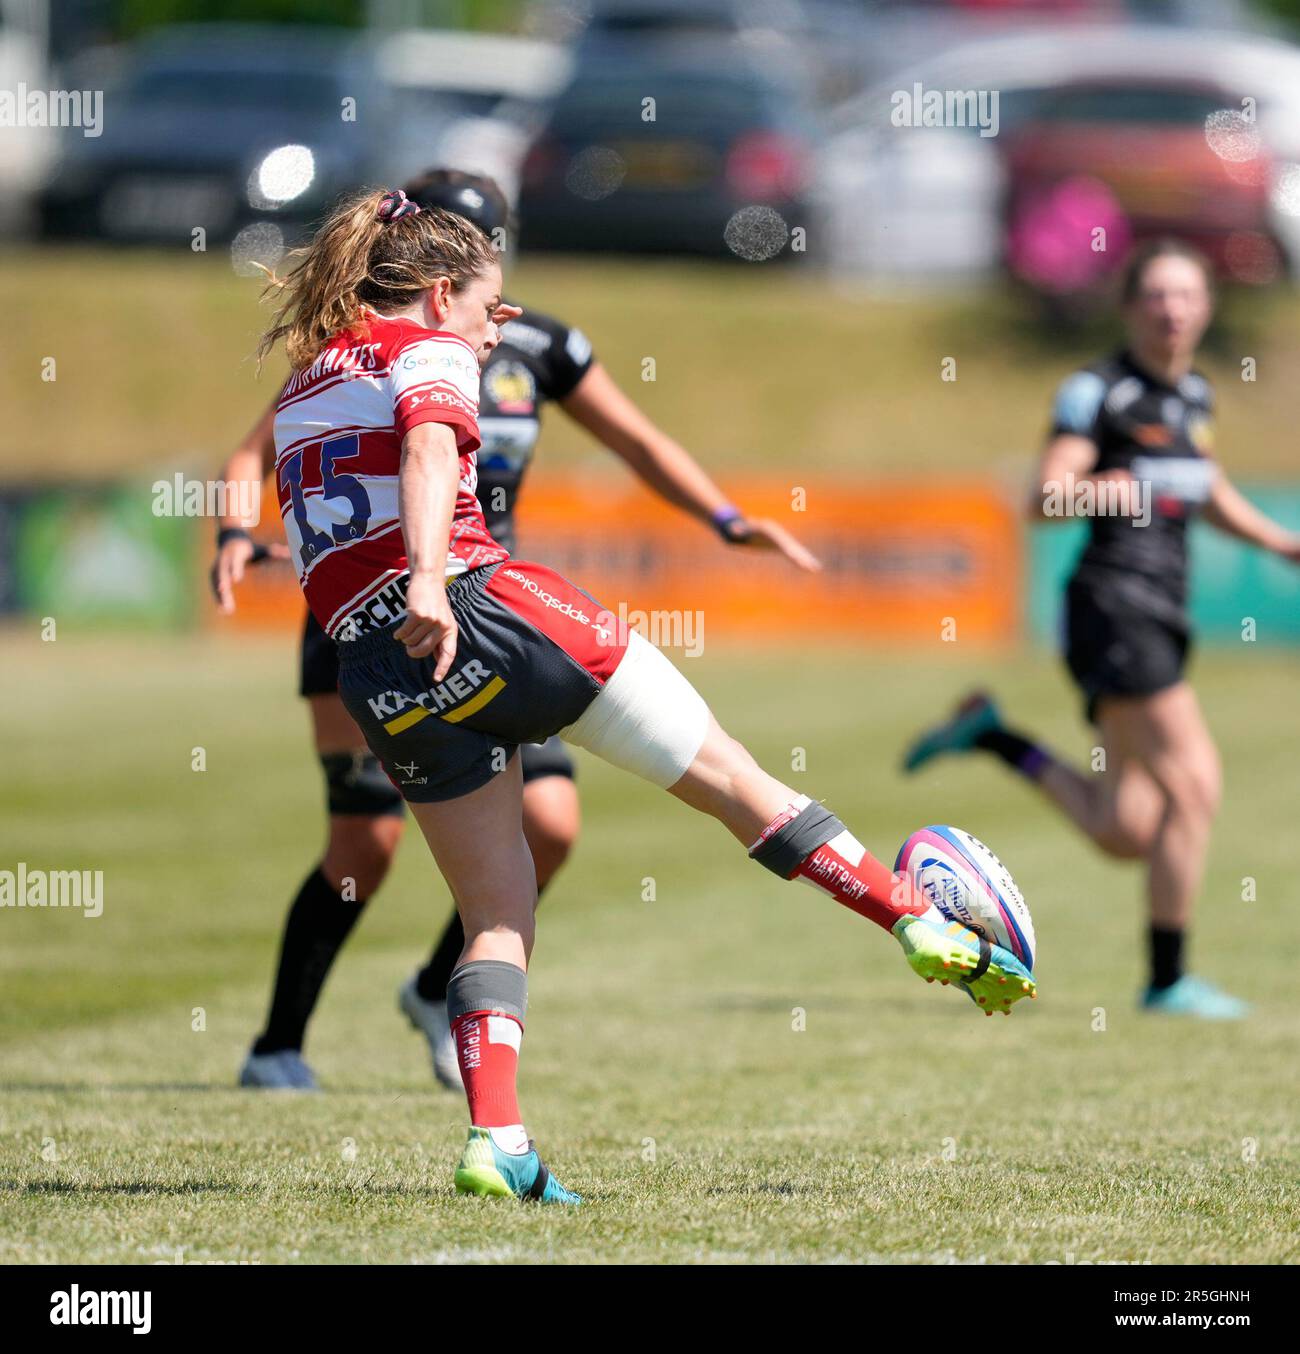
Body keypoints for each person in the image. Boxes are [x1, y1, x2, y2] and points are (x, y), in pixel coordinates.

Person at [254, 185, 1036, 1203]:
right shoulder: (429, 346)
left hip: (377, 669)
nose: (499, 330)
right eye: (492, 306)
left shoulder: (301, 386)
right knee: (732, 782)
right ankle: (911, 920)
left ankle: (498, 1139)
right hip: (491, 606)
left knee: (496, 912)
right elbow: (428, 445)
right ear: (443, 290)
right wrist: (438, 581)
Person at [212, 170, 820, 1091]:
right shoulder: (361, 347)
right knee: (364, 845)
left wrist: (726, 520)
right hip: (374, 608)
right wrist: (232, 528)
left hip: (491, 603)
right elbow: (256, 453)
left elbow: (638, 441)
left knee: (554, 823)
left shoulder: (533, 340)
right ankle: (279, 1043)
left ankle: (439, 989)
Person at [903, 239, 1300, 1020]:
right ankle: (1167, 981)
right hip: (1116, 608)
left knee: (1125, 830)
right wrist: (1094, 491)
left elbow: (1207, 488)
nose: (1172, 309)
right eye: (1155, 294)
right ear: (1129, 307)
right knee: (1197, 784)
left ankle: (992, 736)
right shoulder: (1097, 392)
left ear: (1206, 308)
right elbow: (1041, 496)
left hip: (1160, 612)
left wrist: (1278, 541)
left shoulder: (1196, 398)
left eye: (1187, 295)